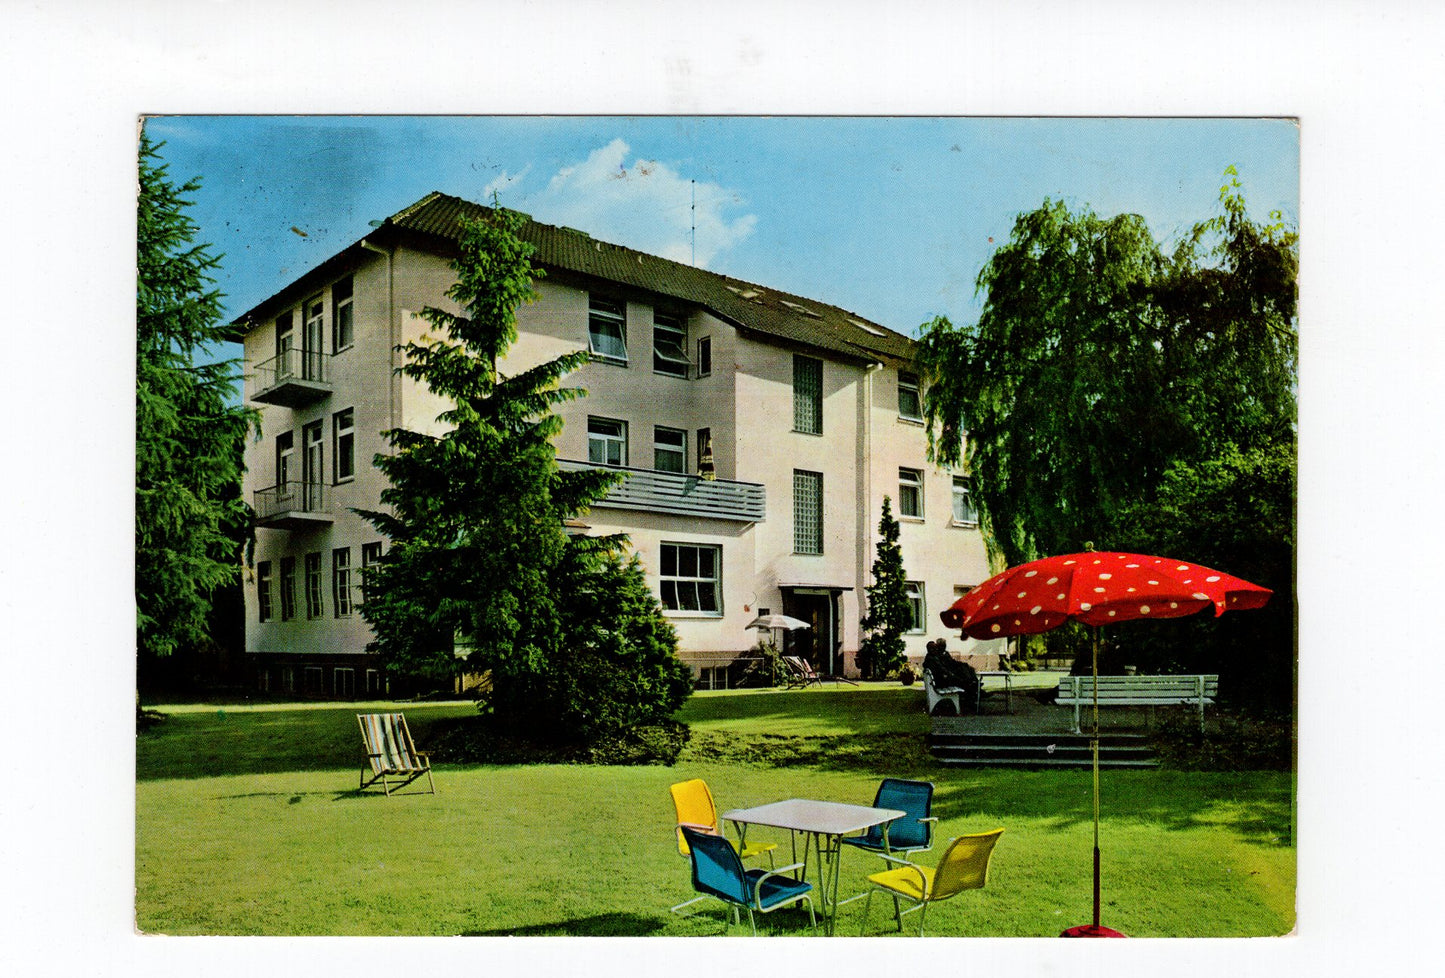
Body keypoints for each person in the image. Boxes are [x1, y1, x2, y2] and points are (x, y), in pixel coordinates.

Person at [922, 638, 980, 714]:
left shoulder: (931, 657)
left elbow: (947, 666)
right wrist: (955, 677)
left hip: (939, 681)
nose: (936, 649)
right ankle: (972, 702)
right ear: (930, 649)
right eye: (934, 648)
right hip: (941, 683)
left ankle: (974, 694)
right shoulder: (933, 659)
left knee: (965, 680)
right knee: (965, 683)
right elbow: (943, 670)